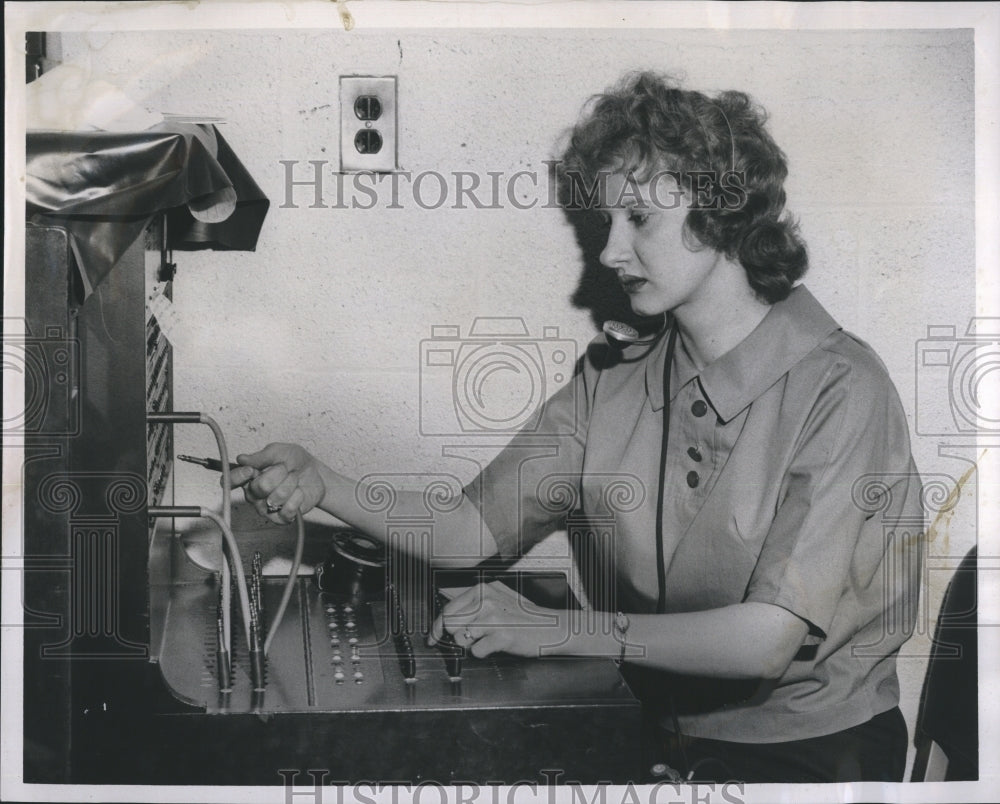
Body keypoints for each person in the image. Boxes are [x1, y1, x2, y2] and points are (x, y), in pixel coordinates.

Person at [231, 72, 923, 783]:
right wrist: (323, 482)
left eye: (639, 219)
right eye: (607, 223)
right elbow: (468, 530)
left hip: (809, 755)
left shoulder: (843, 390)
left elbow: (766, 641)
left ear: (722, 214)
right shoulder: (615, 380)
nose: (610, 253)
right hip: (654, 728)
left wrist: (555, 627)